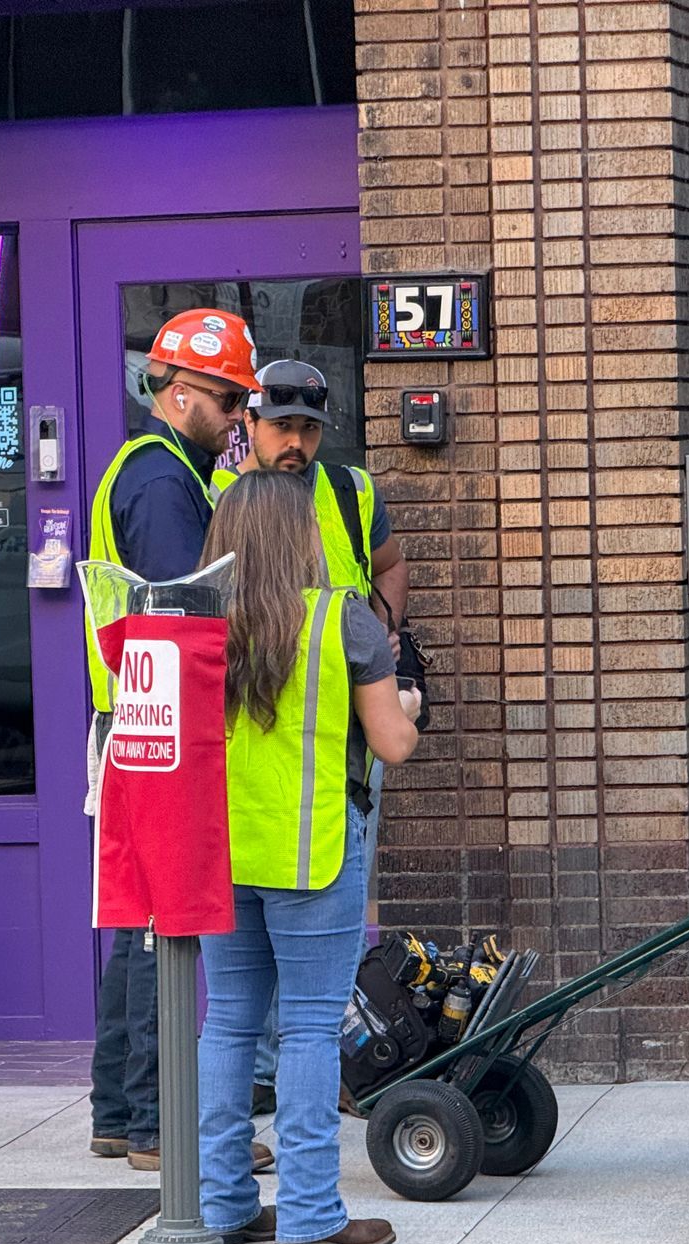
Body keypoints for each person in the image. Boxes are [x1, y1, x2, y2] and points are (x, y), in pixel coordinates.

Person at [194, 471, 422, 1244]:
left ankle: (222, 1205)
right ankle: (311, 1215)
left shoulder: (196, 627)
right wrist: (410, 712)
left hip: (221, 856)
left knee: (226, 1022)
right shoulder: (342, 621)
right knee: (311, 1031)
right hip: (315, 850)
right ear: (303, 538)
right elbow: (392, 742)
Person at [85, 307, 269, 1176]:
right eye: (230, 400)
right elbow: (181, 612)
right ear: (183, 391)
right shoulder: (162, 483)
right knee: (162, 926)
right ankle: (159, 1126)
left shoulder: (160, 470)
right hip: (158, 725)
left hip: (132, 722)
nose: (239, 418)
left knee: (136, 925)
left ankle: (120, 1114)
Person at [221, 360, 411, 1115]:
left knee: (240, 1005)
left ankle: (241, 1158)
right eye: (281, 426)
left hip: (342, 735)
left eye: (307, 428)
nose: (295, 442)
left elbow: (389, 566)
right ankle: (287, 1090)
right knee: (287, 1004)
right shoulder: (223, 499)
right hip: (264, 745)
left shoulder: (352, 492)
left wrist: (384, 634)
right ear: (250, 426)